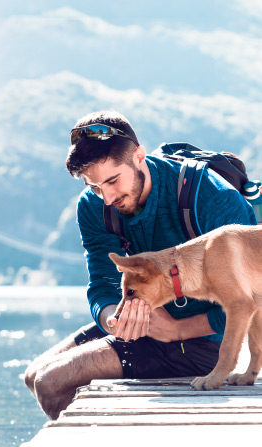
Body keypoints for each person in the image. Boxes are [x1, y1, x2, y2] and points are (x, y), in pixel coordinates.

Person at [24, 110, 257, 420]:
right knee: (33, 375)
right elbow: (102, 284)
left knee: (50, 382)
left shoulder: (209, 194)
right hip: (147, 326)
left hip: (198, 342)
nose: (106, 198)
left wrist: (177, 329)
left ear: (139, 156)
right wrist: (113, 320)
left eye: (112, 181)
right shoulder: (95, 207)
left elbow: (249, 297)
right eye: (95, 187)